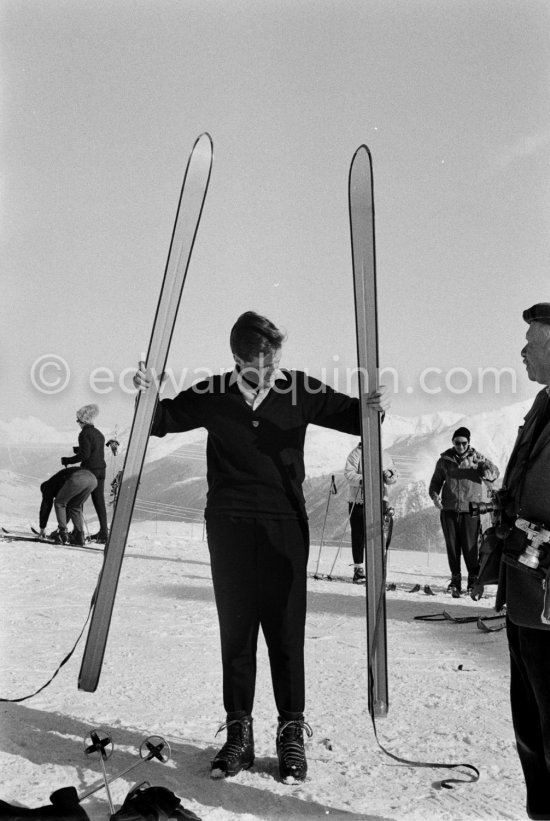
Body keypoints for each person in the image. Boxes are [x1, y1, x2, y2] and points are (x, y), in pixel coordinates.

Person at [133, 311, 390, 783]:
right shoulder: (213, 393)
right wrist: (146, 393)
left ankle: (291, 733)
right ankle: (239, 735)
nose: (271, 371)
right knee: (237, 632)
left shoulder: (300, 389)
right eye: (260, 364)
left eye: (275, 362)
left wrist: (374, 406)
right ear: (237, 359)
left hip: (284, 524)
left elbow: (356, 419)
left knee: (286, 634)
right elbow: (163, 421)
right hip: (229, 524)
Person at [495, 303, 550, 820]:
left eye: (532, 341)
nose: (523, 350)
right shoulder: (542, 402)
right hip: (525, 591)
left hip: (548, 590)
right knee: (530, 719)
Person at [428, 427, 499, 596]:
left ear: (469, 443)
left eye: (463, 443)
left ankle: (473, 579)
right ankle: (455, 580)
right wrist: (435, 496)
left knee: (470, 547)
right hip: (449, 509)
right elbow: (435, 482)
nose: (460, 446)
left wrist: (484, 467)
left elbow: (493, 474)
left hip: (470, 509)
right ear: (453, 442)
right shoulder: (445, 460)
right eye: (457, 442)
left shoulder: (477, 459)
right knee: (452, 546)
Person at [344, 442, 398, 583]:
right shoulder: (356, 454)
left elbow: (394, 476)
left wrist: (389, 474)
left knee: (378, 534)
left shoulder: (385, 455)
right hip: (359, 499)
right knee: (359, 534)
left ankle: (377, 568)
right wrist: (365, 479)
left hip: (380, 498)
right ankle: (359, 569)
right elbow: (349, 474)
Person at [61, 404, 108, 543]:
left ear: (83, 420)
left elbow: (85, 455)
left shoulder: (84, 434)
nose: (77, 423)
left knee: (75, 500)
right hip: (101, 470)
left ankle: (70, 531)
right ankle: (104, 533)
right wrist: (80, 450)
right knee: (99, 502)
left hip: (89, 471)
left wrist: (68, 460)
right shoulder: (99, 433)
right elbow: (93, 451)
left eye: (78, 420)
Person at [50, 467, 98, 546]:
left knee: (59, 502)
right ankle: (79, 536)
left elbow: (51, 501)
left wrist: (42, 527)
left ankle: (62, 533)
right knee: (75, 506)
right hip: (93, 480)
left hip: (78, 479)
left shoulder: (49, 485)